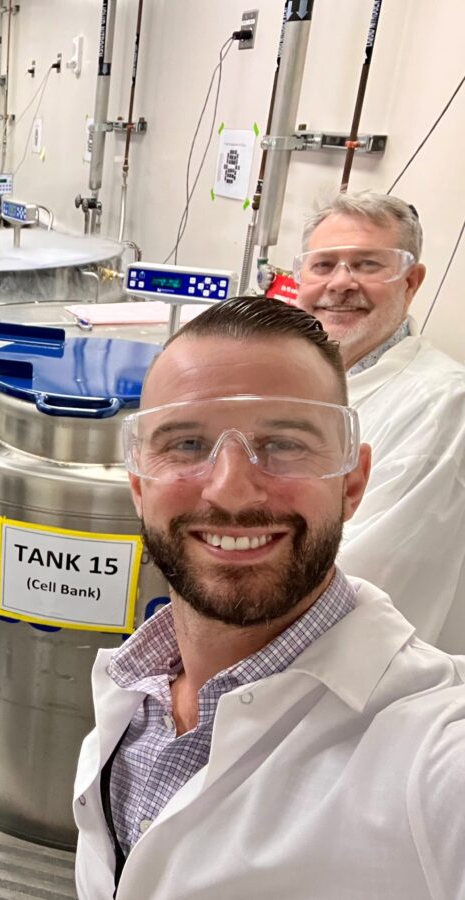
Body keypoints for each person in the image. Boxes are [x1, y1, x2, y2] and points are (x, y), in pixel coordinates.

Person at [71, 297, 465, 898]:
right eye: (185, 445)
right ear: (139, 487)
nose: (230, 491)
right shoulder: (138, 689)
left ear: (352, 484)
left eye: (283, 443)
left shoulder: (429, 750)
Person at [292, 191, 465, 652]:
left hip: (363, 683)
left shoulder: (443, 406)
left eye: (369, 265)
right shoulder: (303, 382)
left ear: (412, 281)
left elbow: (365, 579)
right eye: (323, 265)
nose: (341, 284)